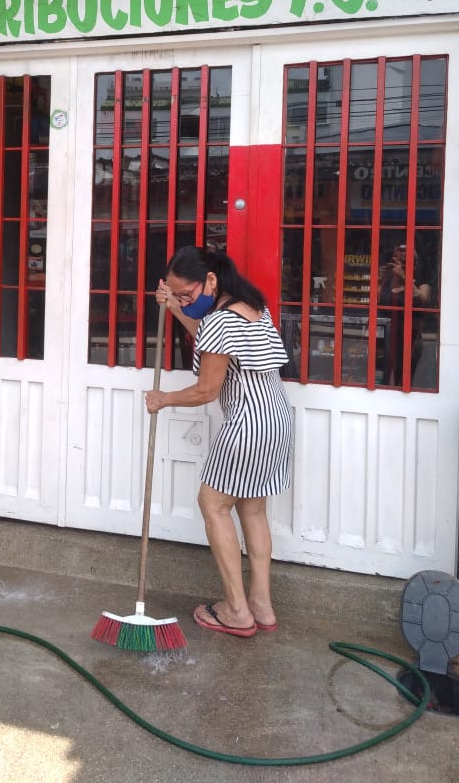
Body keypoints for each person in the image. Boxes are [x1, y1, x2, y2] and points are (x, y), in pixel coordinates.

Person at [145, 246, 292, 637]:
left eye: (186, 295)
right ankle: (261, 606)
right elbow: (214, 345)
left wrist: (163, 399)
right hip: (276, 420)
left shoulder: (219, 321)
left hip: (247, 424)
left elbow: (207, 389)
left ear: (210, 280)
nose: (184, 302)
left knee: (213, 503)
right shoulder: (251, 307)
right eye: (178, 297)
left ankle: (237, 611)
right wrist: (175, 308)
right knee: (253, 510)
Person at [378, 243, 432, 386]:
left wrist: (404, 275)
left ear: (415, 264)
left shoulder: (421, 282)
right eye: (399, 260)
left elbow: (423, 301)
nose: (402, 265)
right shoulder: (389, 281)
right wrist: (383, 277)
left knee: (406, 382)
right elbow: (378, 302)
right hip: (388, 338)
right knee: (386, 380)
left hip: (411, 339)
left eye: (406, 262)